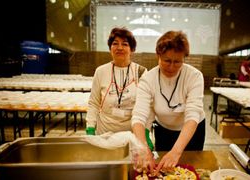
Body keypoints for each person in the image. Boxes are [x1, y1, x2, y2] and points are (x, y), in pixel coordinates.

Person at [131, 30, 206, 173]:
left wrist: (176, 151)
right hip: (164, 129)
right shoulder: (148, 79)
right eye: (167, 61)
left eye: (177, 61)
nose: (171, 67)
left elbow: (192, 115)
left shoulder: (194, 76)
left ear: (184, 58)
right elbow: (138, 116)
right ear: (158, 55)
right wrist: (143, 147)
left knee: (191, 170)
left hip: (191, 132)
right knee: (163, 170)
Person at [85, 27, 147, 135]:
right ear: (110, 48)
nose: (119, 48)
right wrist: (90, 126)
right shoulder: (101, 71)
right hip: (105, 132)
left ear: (132, 49)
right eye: (115, 43)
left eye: (125, 44)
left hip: (132, 133)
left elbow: (146, 105)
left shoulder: (141, 72)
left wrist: (145, 131)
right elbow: (94, 103)